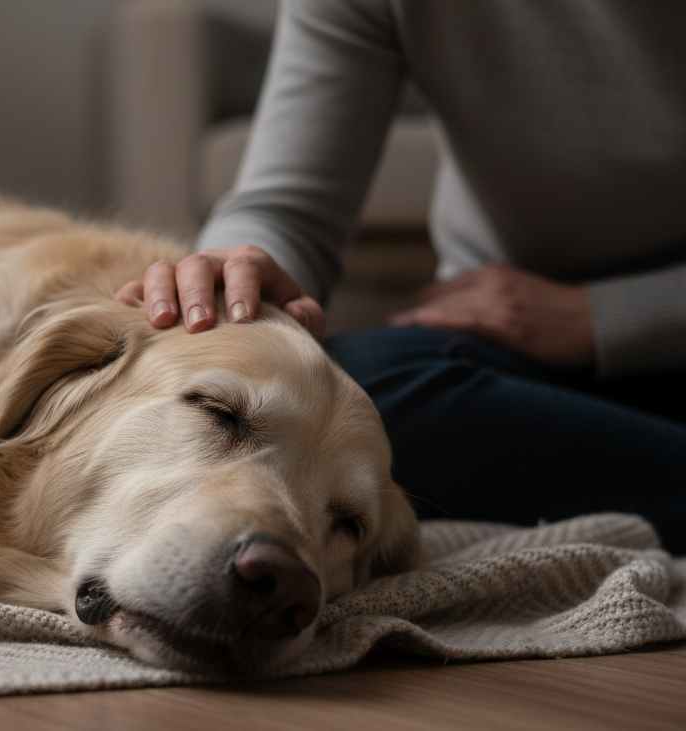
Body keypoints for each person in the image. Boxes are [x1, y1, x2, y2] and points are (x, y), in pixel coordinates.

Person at [117, 0, 686, 554]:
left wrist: (604, 316)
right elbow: (291, 206)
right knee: (367, 391)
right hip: (506, 353)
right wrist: (240, 268)